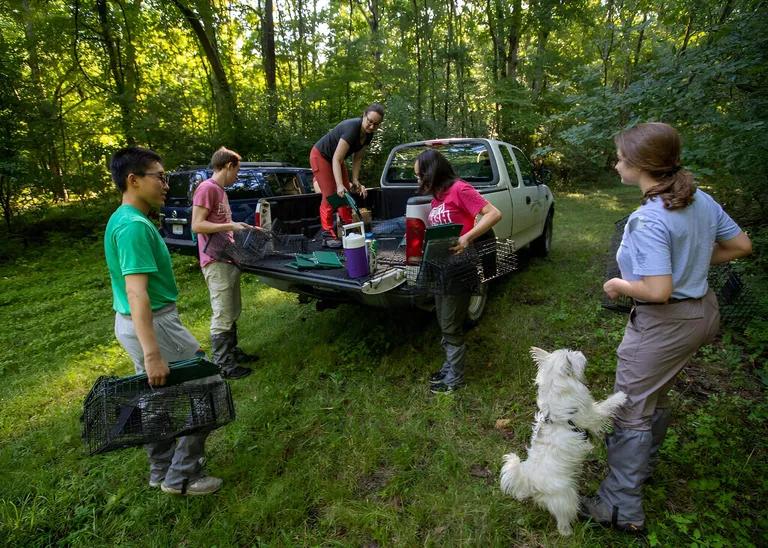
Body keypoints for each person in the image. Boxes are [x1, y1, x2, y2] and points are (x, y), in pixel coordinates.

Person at [580, 123, 752, 533]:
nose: (616, 163)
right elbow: (741, 245)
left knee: (631, 407)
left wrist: (620, 285)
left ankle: (619, 507)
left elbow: (657, 291)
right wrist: (690, 265)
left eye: (621, 157)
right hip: (701, 313)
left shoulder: (649, 219)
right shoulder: (701, 200)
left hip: (666, 322)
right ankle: (641, 468)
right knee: (654, 395)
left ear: (640, 165)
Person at [105, 146, 223, 495]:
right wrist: (154, 352)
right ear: (133, 180)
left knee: (156, 398)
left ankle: (161, 470)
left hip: (135, 323)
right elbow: (137, 292)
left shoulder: (122, 218)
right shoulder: (134, 228)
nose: (165, 184)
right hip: (153, 323)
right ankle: (182, 476)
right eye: (159, 176)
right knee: (209, 387)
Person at [415, 149, 502, 394]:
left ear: (431, 172)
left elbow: (494, 213)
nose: (417, 180)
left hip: (461, 266)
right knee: (444, 321)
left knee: (451, 325)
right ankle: (448, 368)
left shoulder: (460, 189)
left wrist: (466, 238)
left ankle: (455, 378)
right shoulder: (437, 199)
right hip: (443, 268)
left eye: (419, 175)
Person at [191, 147, 258, 380]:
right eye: (237, 171)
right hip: (215, 261)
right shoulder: (207, 189)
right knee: (222, 313)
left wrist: (241, 225)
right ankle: (224, 365)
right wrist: (231, 226)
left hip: (228, 257)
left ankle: (233, 353)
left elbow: (220, 221)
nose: (237, 176)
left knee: (232, 309)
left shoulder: (220, 190)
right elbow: (197, 225)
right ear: (228, 166)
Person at [310, 103, 384, 245]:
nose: (371, 126)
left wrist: (355, 179)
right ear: (364, 115)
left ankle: (348, 227)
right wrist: (338, 185)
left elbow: (358, 157)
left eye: (376, 124)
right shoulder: (352, 128)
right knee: (331, 193)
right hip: (321, 156)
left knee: (346, 191)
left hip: (336, 160)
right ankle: (327, 234)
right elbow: (337, 159)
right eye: (370, 121)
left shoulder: (369, 135)